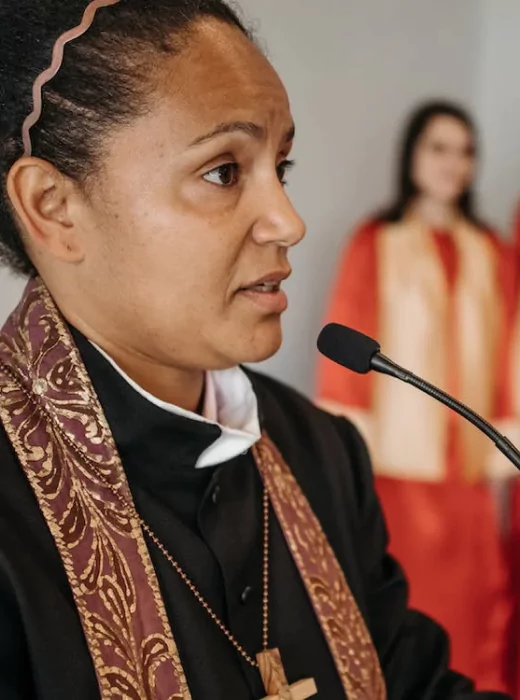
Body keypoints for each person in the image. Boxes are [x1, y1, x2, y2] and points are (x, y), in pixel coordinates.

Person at [0, 3, 512, 698]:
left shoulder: (321, 453)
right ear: (53, 206)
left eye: (282, 166)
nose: (289, 222)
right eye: (223, 172)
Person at [316, 101, 517, 692]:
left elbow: (510, 356)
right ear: (412, 156)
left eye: (465, 150)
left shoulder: (493, 250)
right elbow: (346, 359)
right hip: (397, 476)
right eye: (439, 147)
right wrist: (349, 453)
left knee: (477, 624)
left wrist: (505, 448)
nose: (454, 162)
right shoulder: (375, 243)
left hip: (471, 480)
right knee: (404, 623)